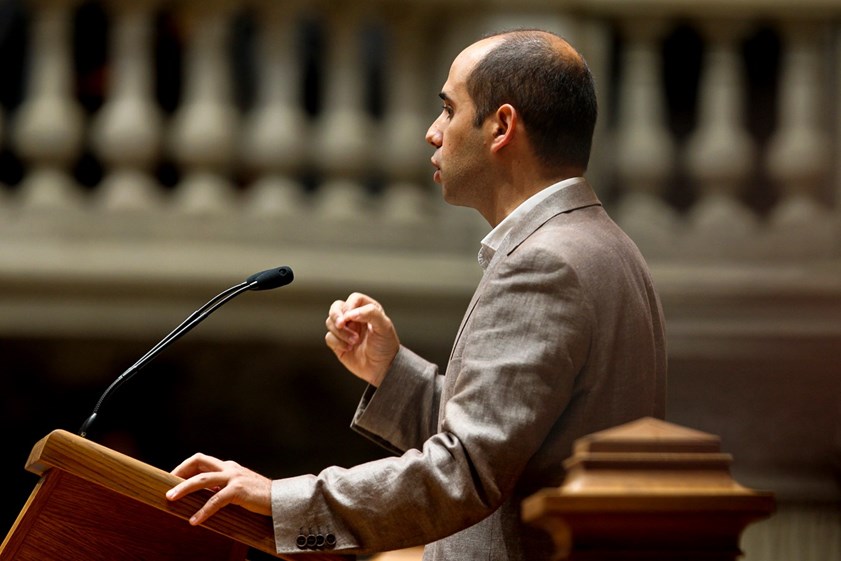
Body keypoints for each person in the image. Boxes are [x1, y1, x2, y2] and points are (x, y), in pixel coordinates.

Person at [166, 29, 667, 560]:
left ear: (501, 126)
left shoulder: (545, 264)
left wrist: (281, 498)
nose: (432, 133)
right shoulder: (606, 245)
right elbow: (510, 443)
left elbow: (465, 473)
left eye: (448, 110)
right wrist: (392, 373)